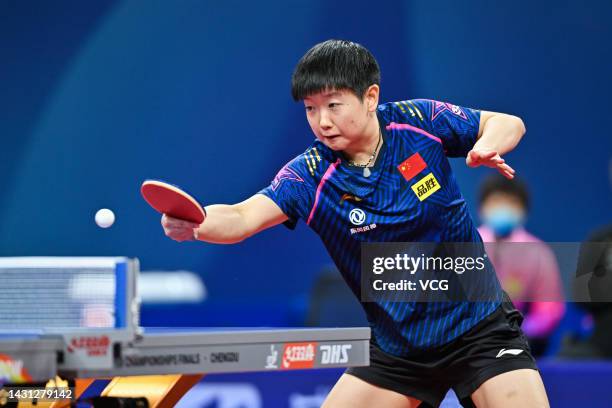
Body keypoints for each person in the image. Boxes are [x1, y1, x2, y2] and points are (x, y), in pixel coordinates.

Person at [161, 40, 549, 407]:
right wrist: (198, 222)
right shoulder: (311, 175)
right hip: (399, 350)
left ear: (370, 98)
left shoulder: (417, 122)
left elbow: (506, 122)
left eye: (332, 105)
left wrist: (486, 144)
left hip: (478, 329)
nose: (322, 122)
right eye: (310, 109)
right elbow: (243, 216)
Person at [477, 175, 565, 356]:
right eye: (496, 201)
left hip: (517, 339)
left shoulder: (538, 252)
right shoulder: (467, 244)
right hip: (470, 338)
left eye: (511, 202)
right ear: (482, 207)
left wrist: (519, 330)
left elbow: (549, 308)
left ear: (523, 210)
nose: (503, 208)